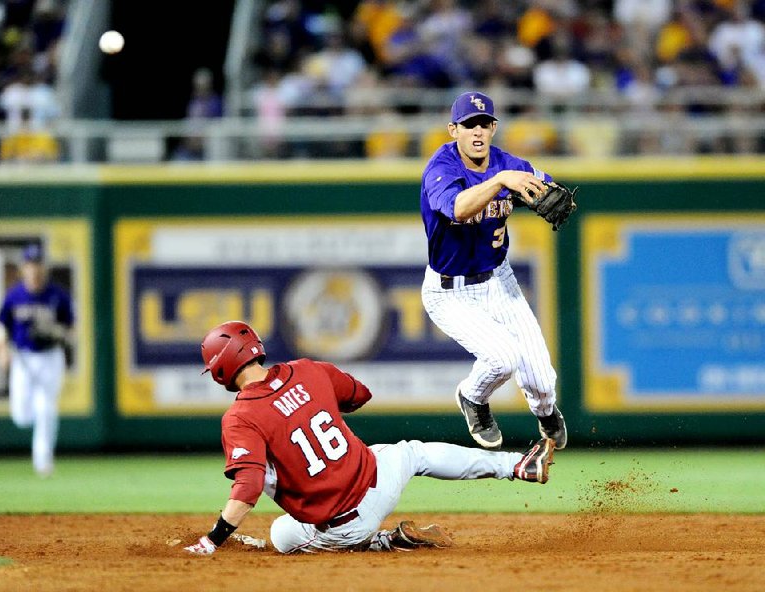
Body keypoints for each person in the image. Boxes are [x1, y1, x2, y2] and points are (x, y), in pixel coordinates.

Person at [184, 320, 556, 555]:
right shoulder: (308, 369)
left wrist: (212, 540)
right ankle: (516, 464)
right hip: (378, 477)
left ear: (220, 371)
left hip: (344, 524)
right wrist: (313, 402)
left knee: (281, 534)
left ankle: (378, 540)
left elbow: (248, 486)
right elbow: (359, 395)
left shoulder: (240, 417)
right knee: (414, 452)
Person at [419, 90, 568, 451]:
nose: (477, 132)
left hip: (499, 282)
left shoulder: (507, 162)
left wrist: (549, 191)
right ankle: (472, 398)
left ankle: (547, 415)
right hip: (449, 291)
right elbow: (457, 209)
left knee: (543, 381)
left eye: (484, 124)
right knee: (502, 358)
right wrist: (503, 183)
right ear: (453, 130)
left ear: (494, 128)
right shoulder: (441, 168)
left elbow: (547, 186)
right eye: (469, 124)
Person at [0, 243, 74, 477]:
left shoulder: (57, 295)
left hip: (50, 357)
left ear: (44, 267)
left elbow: (72, 328)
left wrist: (57, 332)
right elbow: (1, 325)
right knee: (21, 416)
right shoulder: (15, 295)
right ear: (24, 268)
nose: (34, 269)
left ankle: (43, 460)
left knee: (46, 407)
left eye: (37, 264)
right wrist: (1, 349)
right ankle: (40, 441)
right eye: (30, 265)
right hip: (23, 358)